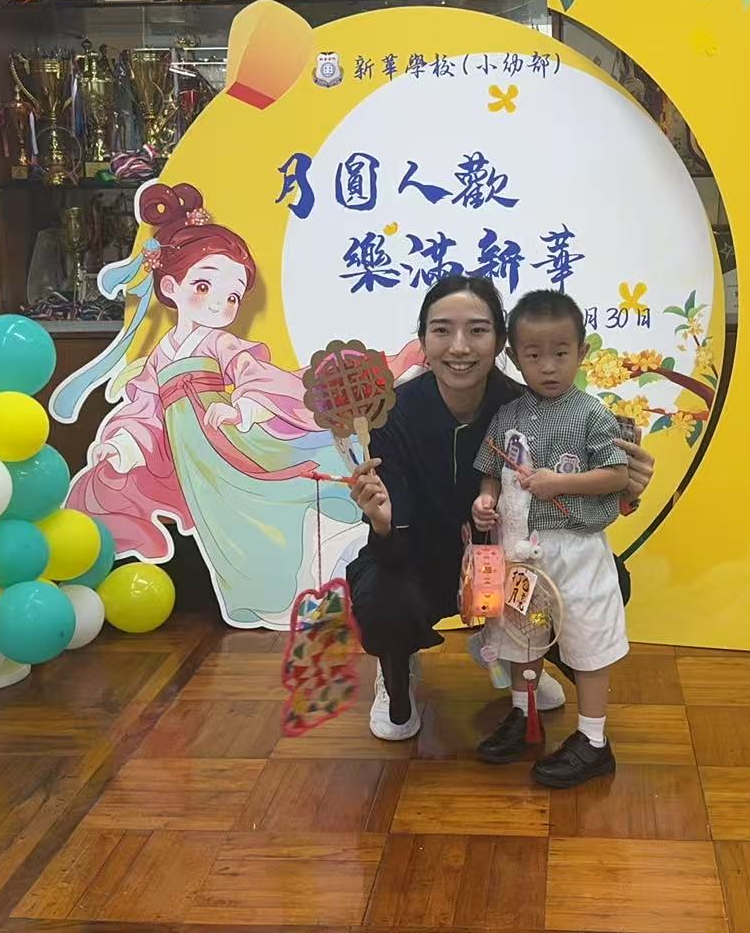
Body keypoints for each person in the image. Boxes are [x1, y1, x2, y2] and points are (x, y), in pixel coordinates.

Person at [52, 182, 422, 628]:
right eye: (203, 285)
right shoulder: (161, 355)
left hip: (234, 444)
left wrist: (243, 409)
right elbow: (144, 408)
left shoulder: (219, 343)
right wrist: (124, 442)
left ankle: (326, 574)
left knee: (275, 504)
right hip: (197, 463)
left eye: (232, 296)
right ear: (170, 285)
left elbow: (253, 374)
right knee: (226, 529)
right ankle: (276, 597)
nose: (220, 304)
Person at [344, 275, 654, 746]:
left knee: (607, 576)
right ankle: (397, 670)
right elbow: (392, 532)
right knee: (385, 599)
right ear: (423, 338)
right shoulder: (390, 415)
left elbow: (581, 487)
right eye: (442, 329)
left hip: (506, 564)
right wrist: (383, 523)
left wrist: (629, 489)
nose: (460, 346)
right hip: (418, 562)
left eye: (478, 330)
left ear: (501, 342)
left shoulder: (527, 407)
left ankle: (517, 662)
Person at [471, 289, 629, 787]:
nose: (548, 367)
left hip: (576, 549)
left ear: (582, 352)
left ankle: (594, 740)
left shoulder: (592, 413)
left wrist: (558, 482)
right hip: (520, 551)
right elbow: (491, 468)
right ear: (514, 357)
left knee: (587, 637)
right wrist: (486, 499)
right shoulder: (509, 415)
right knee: (522, 635)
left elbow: (616, 474)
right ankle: (524, 715)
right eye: (534, 355)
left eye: (561, 353)